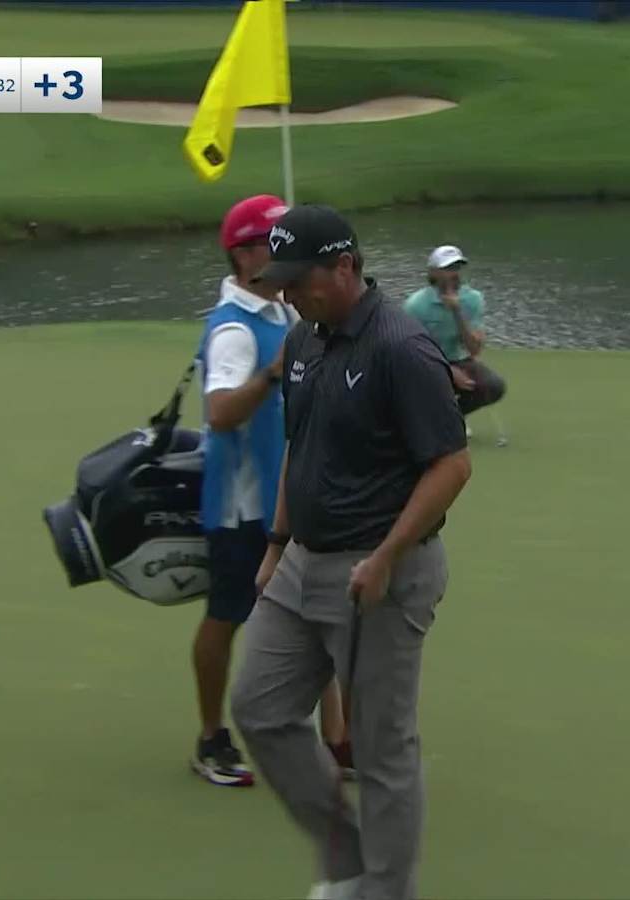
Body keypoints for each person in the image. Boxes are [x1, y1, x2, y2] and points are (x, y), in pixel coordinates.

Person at [230, 205, 472, 899]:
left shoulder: (402, 346)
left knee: (381, 746)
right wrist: (277, 544)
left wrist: (388, 555)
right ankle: (350, 863)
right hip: (302, 559)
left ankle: (384, 889)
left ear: (344, 268)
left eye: (300, 279)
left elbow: (451, 465)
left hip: (381, 572)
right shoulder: (305, 339)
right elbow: (299, 452)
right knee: (261, 709)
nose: (288, 293)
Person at [191, 195, 349, 788]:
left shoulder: (284, 314)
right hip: (241, 507)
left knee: (322, 612)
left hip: (293, 500)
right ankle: (211, 737)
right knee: (227, 617)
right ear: (245, 252)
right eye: (275, 241)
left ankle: (336, 741)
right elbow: (222, 412)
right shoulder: (234, 327)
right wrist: (272, 373)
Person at [402, 245, 507, 433]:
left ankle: (453, 417)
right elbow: (409, 350)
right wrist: (447, 370)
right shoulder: (415, 305)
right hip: (422, 363)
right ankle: (428, 416)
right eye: (448, 269)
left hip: (458, 360)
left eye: (457, 268)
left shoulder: (473, 299)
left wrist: (457, 311)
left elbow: (474, 350)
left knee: (494, 386)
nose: (454, 273)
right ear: (434, 272)